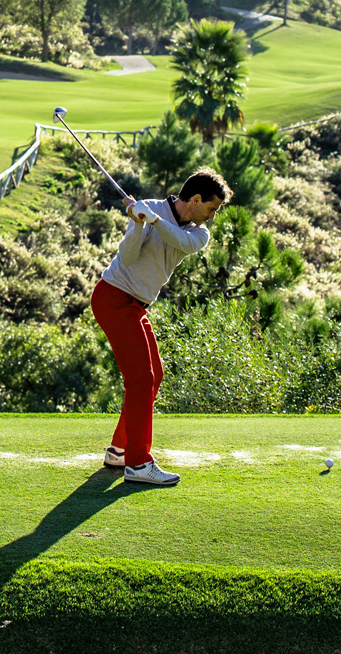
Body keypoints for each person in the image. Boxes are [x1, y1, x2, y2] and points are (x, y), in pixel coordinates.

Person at [91, 169, 229, 486]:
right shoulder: (148, 208)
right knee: (141, 378)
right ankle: (139, 463)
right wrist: (138, 224)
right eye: (211, 208)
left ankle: (120, 450)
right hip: (114, 297)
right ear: (196, 199)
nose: (211, 216)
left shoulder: (198, 233)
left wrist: (151, 219)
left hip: (135, 304)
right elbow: (126, 258)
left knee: (154, 375)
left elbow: (179, 240)